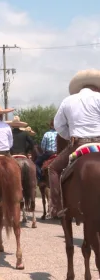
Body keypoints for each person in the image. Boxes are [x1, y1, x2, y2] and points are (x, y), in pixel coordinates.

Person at [49, 69, 100, 217]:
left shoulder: (68, 101)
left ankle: (57, 206)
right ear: (96, 87)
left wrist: (71, 136)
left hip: (79, 144)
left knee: (53, 169)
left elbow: (58, 126)